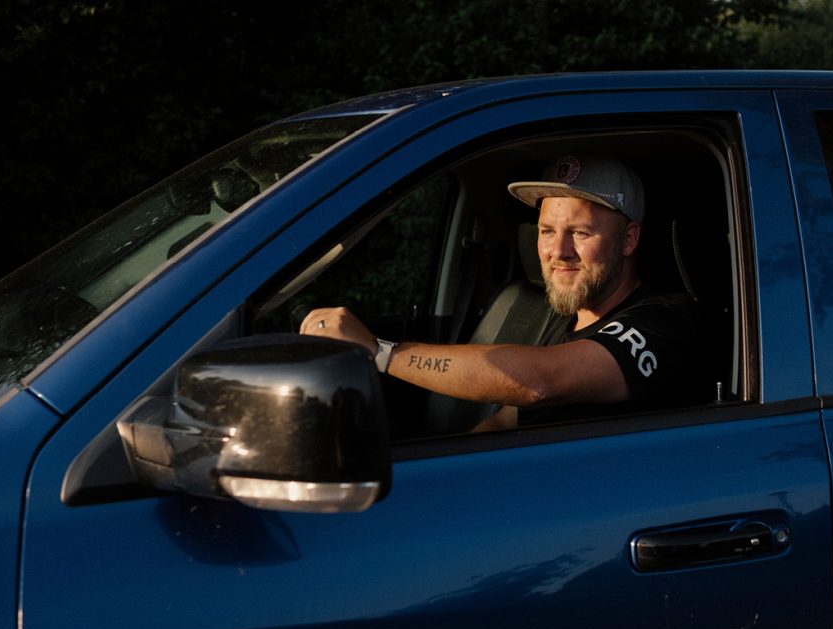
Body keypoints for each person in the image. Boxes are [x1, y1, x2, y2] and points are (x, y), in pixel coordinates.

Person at [300, 154, 705, 430]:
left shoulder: (663, 324)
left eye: (580, 232)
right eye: (547, 231)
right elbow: (507, 418)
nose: (557, 251)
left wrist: (380, 353)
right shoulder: (563, 317)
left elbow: (539, 383)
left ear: (628, 240)